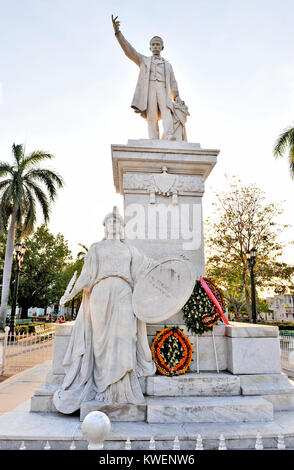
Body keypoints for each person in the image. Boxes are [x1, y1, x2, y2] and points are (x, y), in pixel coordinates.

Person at [53, 208, 156, 414]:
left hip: (124, 294)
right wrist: (71, 293)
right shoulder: (96, 248)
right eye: (110, 223)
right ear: (105, 226)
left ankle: (123, 389)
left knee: (127, 336)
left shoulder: (130, 250)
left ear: (122, 227)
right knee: (101, 344)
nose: (114, 226)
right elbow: (86, 276)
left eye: (117, 223)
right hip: (100, 294)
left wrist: (167, 268)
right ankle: (103, 388)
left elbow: (146, 268)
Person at [112, 15, 189, 141]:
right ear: (150, 47)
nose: (155, 46)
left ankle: (169, 135)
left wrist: (176, 96)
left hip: (163, 88)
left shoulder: (168, 65)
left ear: (162, 47)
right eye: (153, 44)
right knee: (151, 115)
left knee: (167, 111)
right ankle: (153, 138)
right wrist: (117, 33)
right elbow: (129, 51)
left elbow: (173, 82)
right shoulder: (144, 60)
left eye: (158, 44)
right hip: (150, 88)